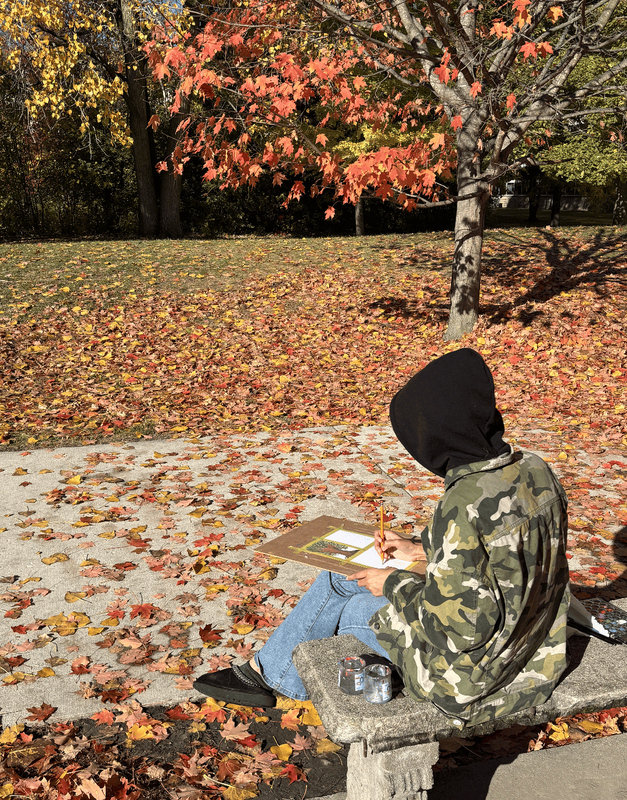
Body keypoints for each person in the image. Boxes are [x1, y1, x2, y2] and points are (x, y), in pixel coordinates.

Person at [193, 348, 570, 727]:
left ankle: (272, 676)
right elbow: (501, 553)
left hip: (475, 680)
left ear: (436, 434)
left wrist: (394, 582)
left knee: (356, 611)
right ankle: (267, 674)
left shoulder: (462, 504)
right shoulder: (534, 470)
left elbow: (461, 631)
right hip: (535, 645)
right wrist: (418, 548)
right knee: (340, 577)